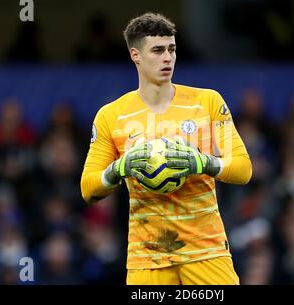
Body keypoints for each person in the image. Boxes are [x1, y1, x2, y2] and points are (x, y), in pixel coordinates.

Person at [80, 12, 252, 285]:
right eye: (158, 50)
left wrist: (202, 163)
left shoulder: (206, 102)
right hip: (148, 256)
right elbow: (88, 188)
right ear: (135, 55)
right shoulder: (111, 116)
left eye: (171, 49)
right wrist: (118, 169)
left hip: (207, 251)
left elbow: (243, 170)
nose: (168, 58)